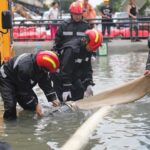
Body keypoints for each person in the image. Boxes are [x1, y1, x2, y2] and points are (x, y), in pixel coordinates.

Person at [0, 50, 60, 120]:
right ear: (42, 67)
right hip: (7, 78)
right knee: (10, 106)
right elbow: (24, 89)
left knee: (31, 108)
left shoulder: (41, 65)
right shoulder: (25, 67)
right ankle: (10, 126)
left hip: (21, 81)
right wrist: (36, 104)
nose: (48, 72)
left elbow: (45, 83)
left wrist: (53, 98)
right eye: (48, 71)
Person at [53, 29, 103, 102]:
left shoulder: (88, 49)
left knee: (79, 93)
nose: (91, 50)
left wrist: (88, 84)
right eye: (91, 47)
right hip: (60, 76)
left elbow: (87, 68)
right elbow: (65, 69)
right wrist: (66, 88)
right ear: (85, 41)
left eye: (93, 49)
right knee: (65, 101)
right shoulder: (72, 50)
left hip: (73, 73)